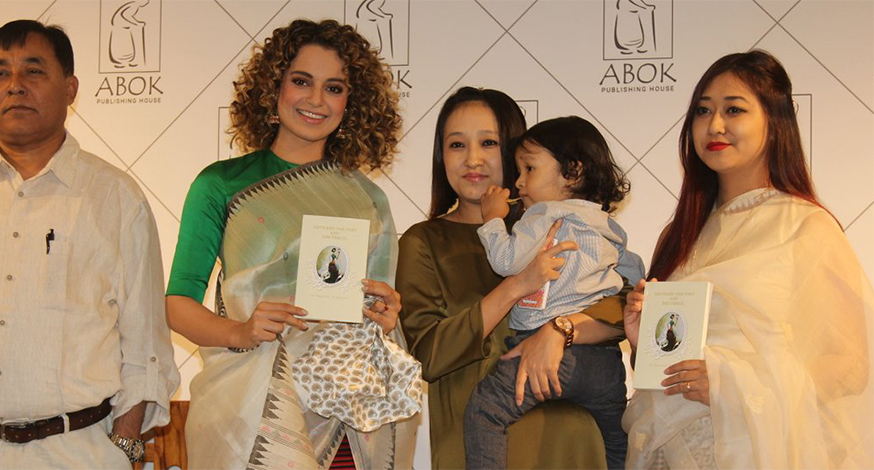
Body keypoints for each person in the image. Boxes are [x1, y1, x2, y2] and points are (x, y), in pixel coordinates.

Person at [0, 19, 179, 469]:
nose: (14, 85)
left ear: (70, 89)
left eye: (33, 71)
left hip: (78, 453)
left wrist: (125, 445)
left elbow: (145, 345)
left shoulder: (116, 198)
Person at [165, 19, 417, 469]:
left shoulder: (369, 198)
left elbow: (373, 313)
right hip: (255, 407)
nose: (316, 100)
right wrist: (240, 332)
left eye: (334, 88)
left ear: (352, 102)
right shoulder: (221, 185)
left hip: (347, 418)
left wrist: (387, 315)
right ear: (273, 86)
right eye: (302, 81)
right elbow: (178, 304)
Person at [622, 50, 874, 469]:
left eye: (734, 109)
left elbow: (850, 367)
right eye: (703, 110)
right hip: (667, 452)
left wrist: (731, 385)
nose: (715, 125)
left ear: (775, 122)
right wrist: (643, 342)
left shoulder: (804, 226)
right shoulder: (680, 234)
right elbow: (671, 367)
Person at [396, 86, 631, 470]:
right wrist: (516, 286)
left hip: (573, 446)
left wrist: (560, 330)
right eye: (456, 145)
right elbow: (428, 356)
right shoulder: (423, 242)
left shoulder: (558, 223)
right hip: (476, 452)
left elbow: (624, 306)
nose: (472, 158)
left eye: (488, 143)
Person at [463, 116, 644, 470]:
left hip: (547, 354)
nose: (519, 182)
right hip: (604, 365)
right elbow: (633, 273)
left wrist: (493, 220)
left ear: (572, 173)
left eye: (529, 169)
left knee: (485, 410)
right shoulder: (607, 226)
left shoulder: (543, 215)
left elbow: (506, 260)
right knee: (617, 440)